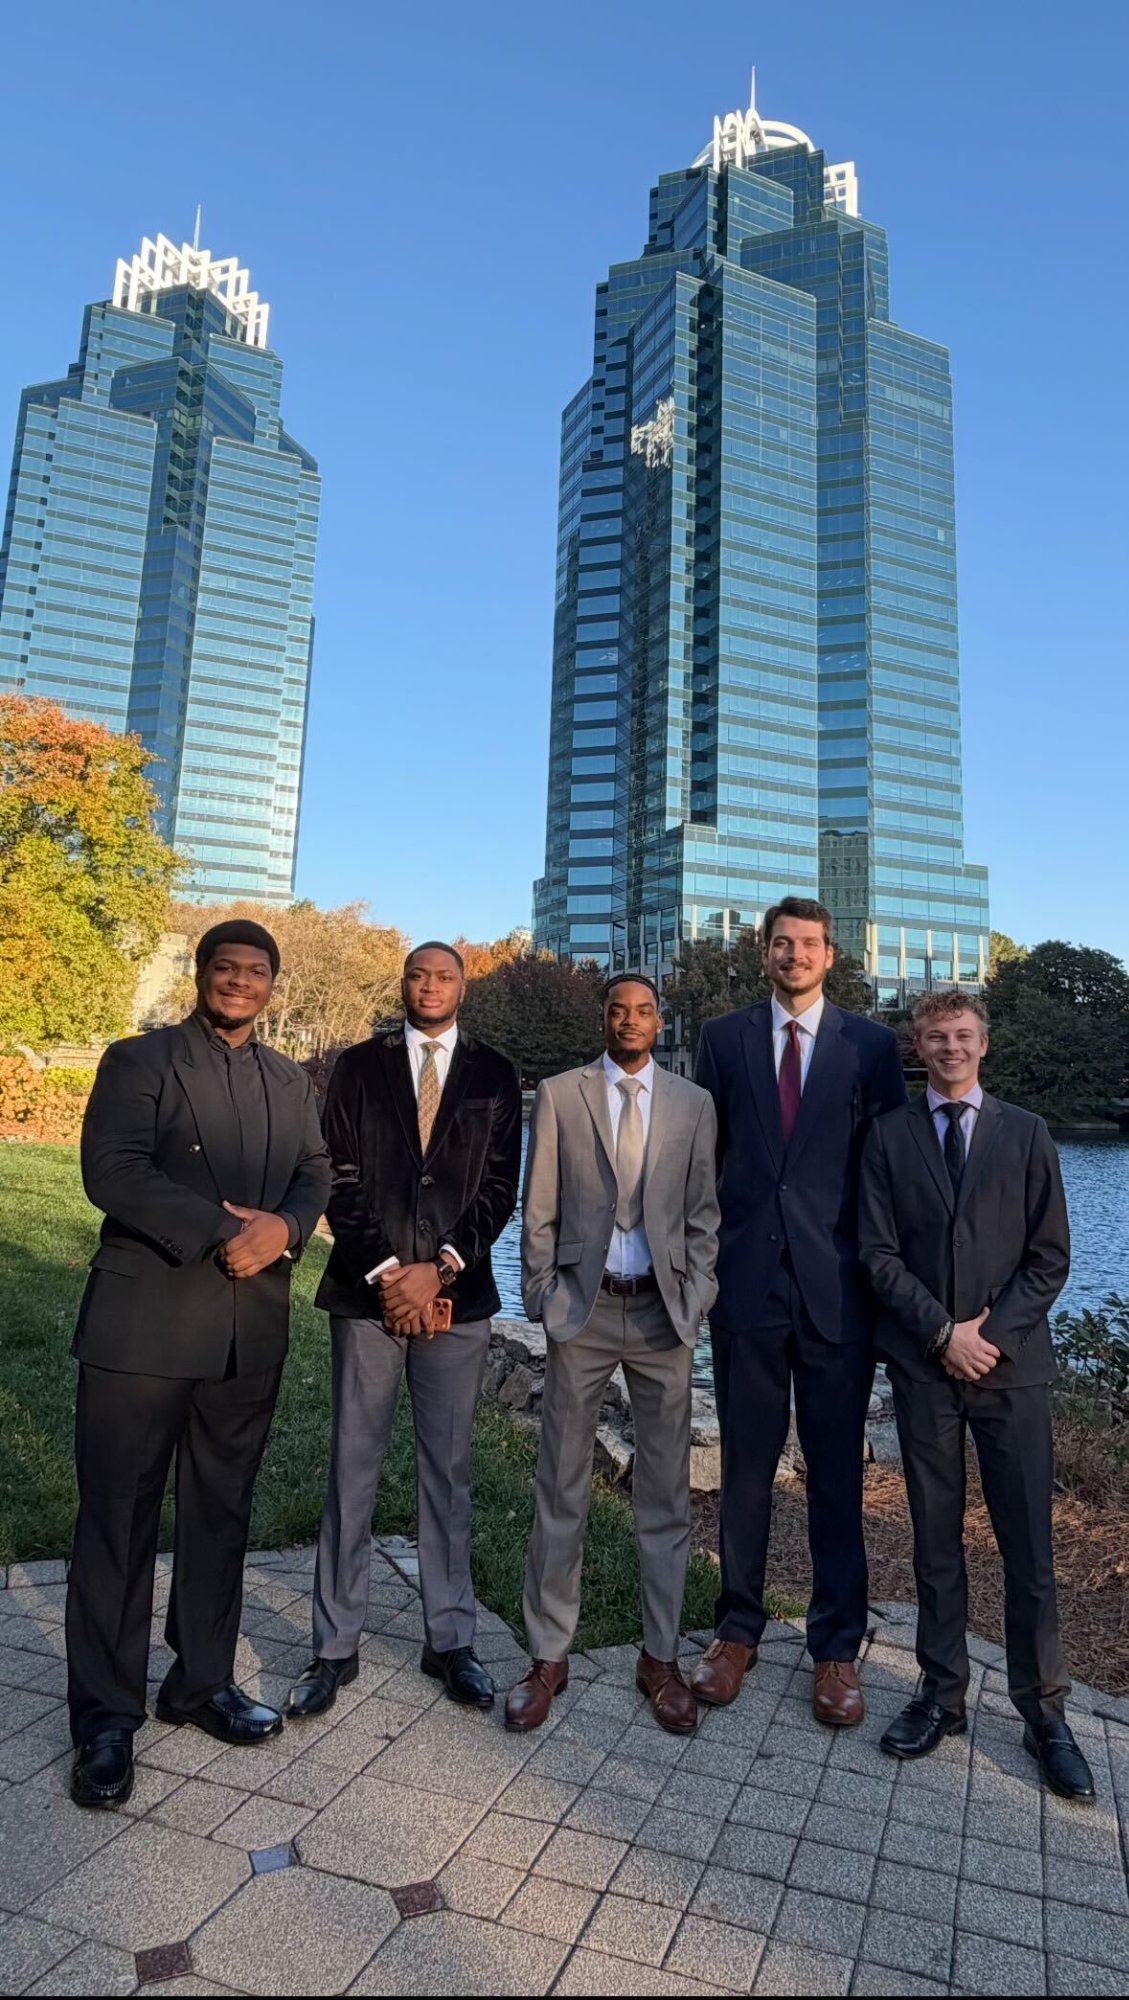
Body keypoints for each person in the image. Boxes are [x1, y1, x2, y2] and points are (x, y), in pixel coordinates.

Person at [66, 921, 331, 1809]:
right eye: (227, 968)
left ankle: (200, 1682)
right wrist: (230, 1229)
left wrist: (286, 1229)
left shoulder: (291, 1080)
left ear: (271, 985)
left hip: (246, 1333)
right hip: (144, 1325)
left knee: (220, 1512)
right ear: (203, 974)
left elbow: (314, 1172)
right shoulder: (139, 1061)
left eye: (257, 972)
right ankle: (105, 1715)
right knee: (119, 1517)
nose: (240, 983)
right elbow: (111, 1171)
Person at [859, 990, 1093, 1799]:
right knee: (933, 1542)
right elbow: (877, 1253)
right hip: (925, 1368)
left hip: (1013, 1370)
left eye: (961, 1036)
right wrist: (941, 1334)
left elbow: (1050, 1257)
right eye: (934, 1037)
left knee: (1027, 1547)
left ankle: (1045, 1713)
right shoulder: (886, 1137)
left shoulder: (1026, 1134)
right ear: (916, 1048)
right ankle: (939, 1693)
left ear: (982, 1046)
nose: (949, 1048)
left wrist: (987, 1335)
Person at [287, 942, 521, 1719]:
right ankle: (333, 1645)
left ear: (463, 988)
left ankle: (449, 1638)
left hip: (459, 1297)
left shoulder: (494, 1074)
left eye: (444, 975)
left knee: (447, 1471)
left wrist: (439, 1269)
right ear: (404, 984)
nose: (430, 985)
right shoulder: (358, 1066)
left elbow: (497, 1189)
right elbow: (338, 1178)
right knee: (352, 1463)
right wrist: (390, 1273)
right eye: (418, 974)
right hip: (368, 1297)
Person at [690, 898, 906, 1727]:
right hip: (744, 1287)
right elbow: (704, 1159)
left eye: (808, 944)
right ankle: (735, 1630)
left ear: (830, 955)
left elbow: (888, 1173)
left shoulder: (872, 1047)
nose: (794, 955)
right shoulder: (723, 1038)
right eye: (781, 943)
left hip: (837, 1292)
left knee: (835, 1478)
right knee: (745, 1471)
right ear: (765, 953)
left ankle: (834, 1649)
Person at [508, 975, 719, 1737]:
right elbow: (540, 1206)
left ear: (660, 1022)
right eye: (616, 1011)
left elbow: (702, 1212)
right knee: (560, 1483)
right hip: (584, 1310)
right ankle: (546, 1654)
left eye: (642, 1011)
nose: (628, 1021)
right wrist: (542, 1292)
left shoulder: (693, 1105)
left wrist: (696, 1297)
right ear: (602, 1020)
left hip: (663, 1316)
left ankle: (659, 1658)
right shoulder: (563, 1095)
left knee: (663, 1492)